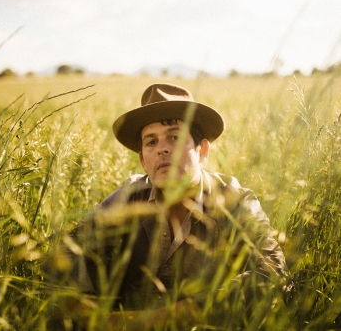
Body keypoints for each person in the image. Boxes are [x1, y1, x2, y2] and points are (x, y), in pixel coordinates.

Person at [45, 83, 289, 330]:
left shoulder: (234, 200)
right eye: (151, 142)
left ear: (202, 150)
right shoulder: (129, 197)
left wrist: (156, 320)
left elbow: (273, 272)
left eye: (175, 136)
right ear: (142, 160)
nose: (162, 148)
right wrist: (95, 316)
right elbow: (63, 255)